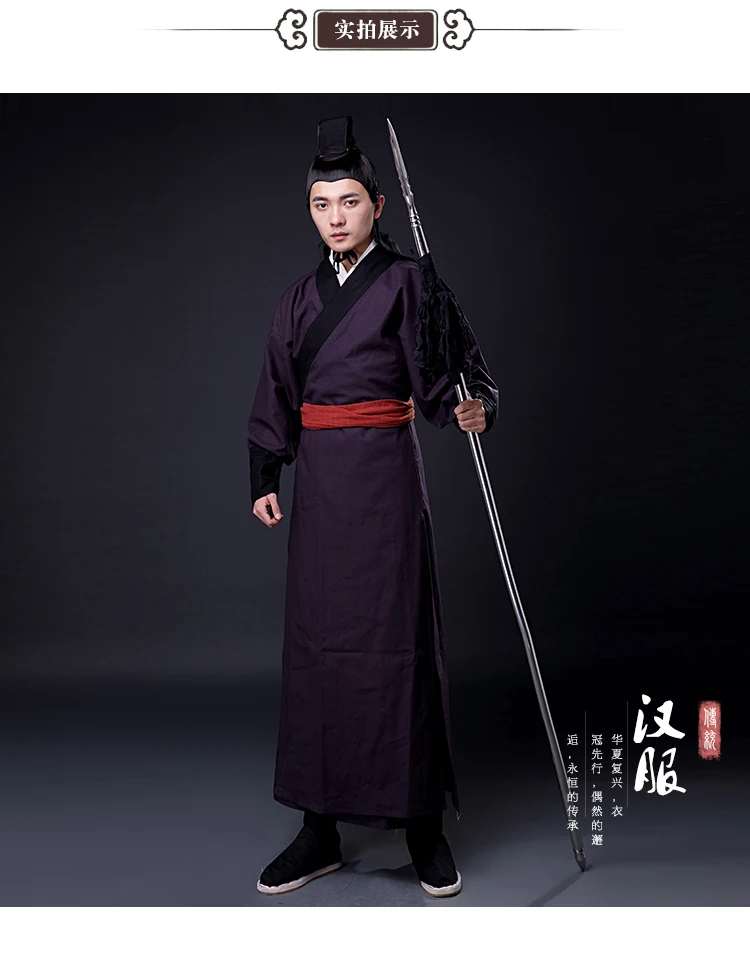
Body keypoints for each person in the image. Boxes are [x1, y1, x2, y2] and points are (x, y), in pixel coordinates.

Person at [247, 116, 499, 898]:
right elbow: (276, 389)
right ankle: (319, 827)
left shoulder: (410, 282)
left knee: (400, 645)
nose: (335, 216)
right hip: (323, 491)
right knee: (318, 649)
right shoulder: (298, 300)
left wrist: (473, 405)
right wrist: (265, 470)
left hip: (388, 481)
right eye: (321, 204)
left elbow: (452, 374)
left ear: (378, 204)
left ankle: (421, 825)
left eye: (349, 201)